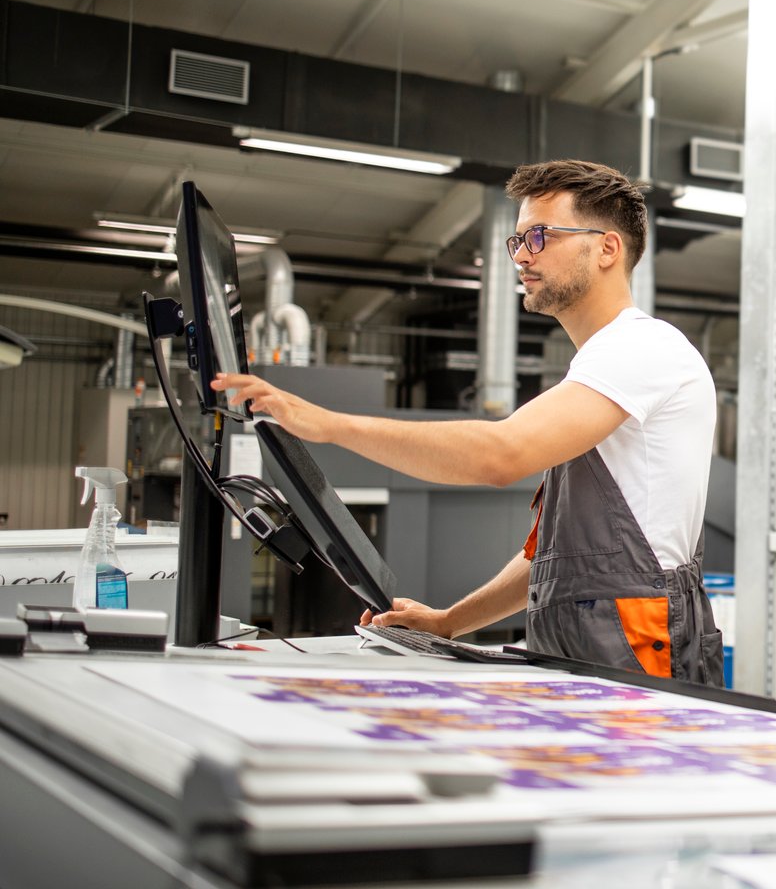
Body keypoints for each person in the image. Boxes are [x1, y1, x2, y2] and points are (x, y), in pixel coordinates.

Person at [212, 159, 724, 685]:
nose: (523, 255)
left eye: (541, 236)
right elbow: (561, 561)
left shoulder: (642, 347)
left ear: (607, 249)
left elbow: (500, 455)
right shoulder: (602, 367)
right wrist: (449, 622)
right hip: (590, 638)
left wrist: (327, 424)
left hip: (637, 640)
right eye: (519, 240)